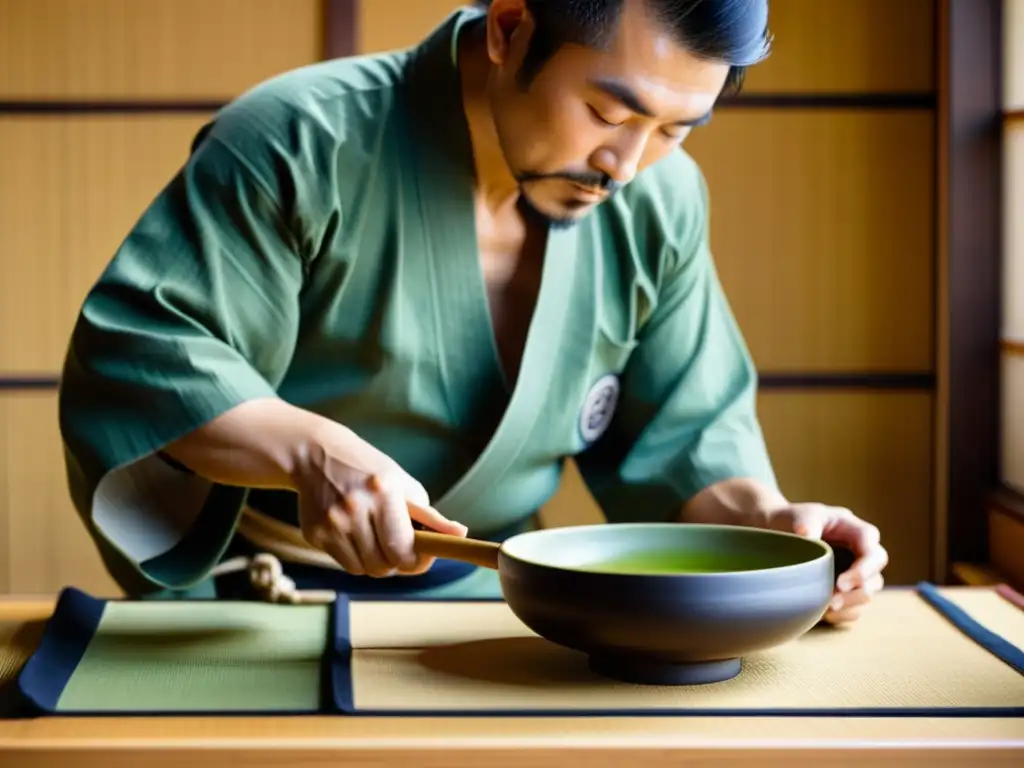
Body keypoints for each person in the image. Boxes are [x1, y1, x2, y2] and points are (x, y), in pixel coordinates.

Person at [58, 0, 887, 623]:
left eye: (676, 129)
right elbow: (149, 355)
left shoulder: (661, 200)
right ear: (509, 29)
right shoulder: (299, 137)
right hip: (253, 601)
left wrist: (776, 527)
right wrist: (315, 452)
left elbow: (686, 439)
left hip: (494, 604)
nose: (627, 164)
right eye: (608, 112)